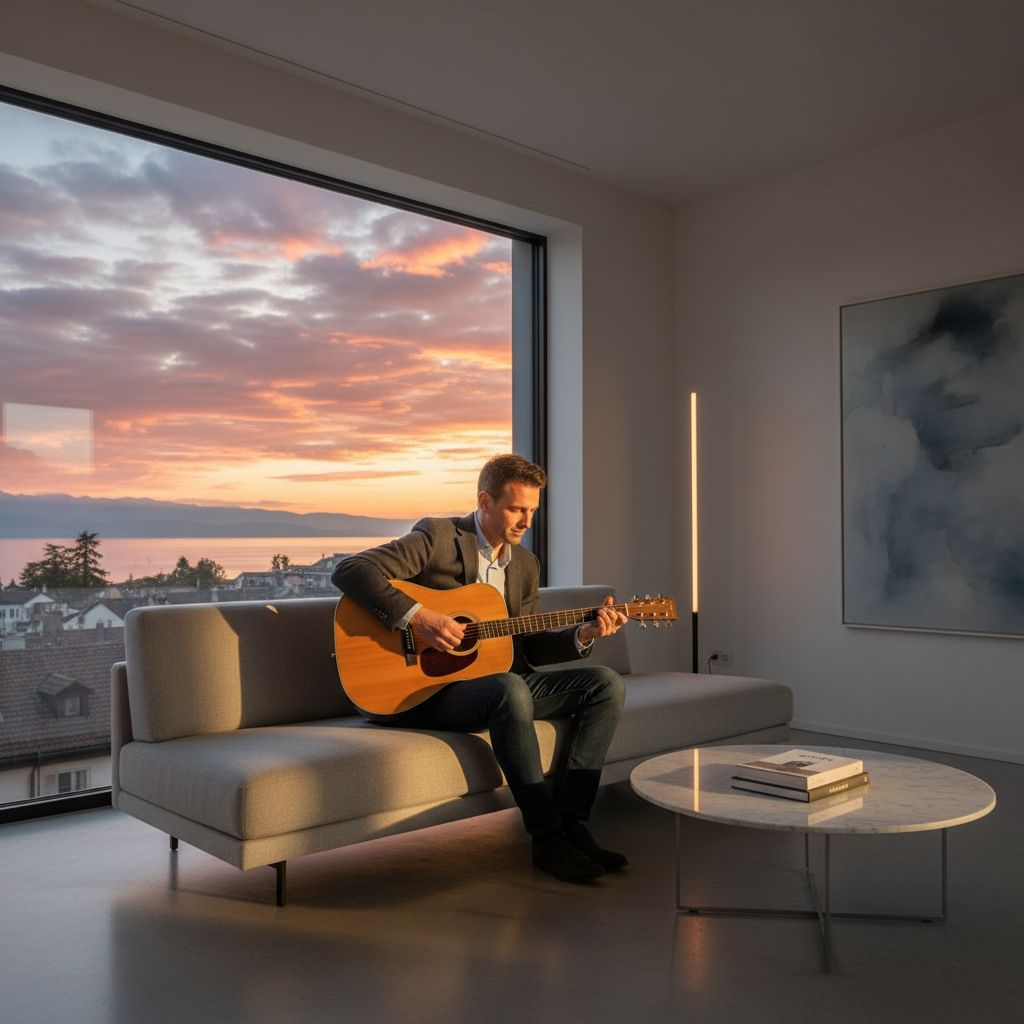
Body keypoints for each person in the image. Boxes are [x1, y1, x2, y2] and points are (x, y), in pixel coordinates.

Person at [332, 454, 628, 882]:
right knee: (510, 689)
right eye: (516, 508)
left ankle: (572, 825)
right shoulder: (438, 537)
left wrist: (582, 636)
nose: (526, 521)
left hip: (493, 686)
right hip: (420, 692)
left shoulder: (524, 565)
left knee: (605, 684)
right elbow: (350, 570)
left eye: (532, 511)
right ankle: (546, 838)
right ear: (485, 501)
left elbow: (525, 646)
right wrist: (421, 617)